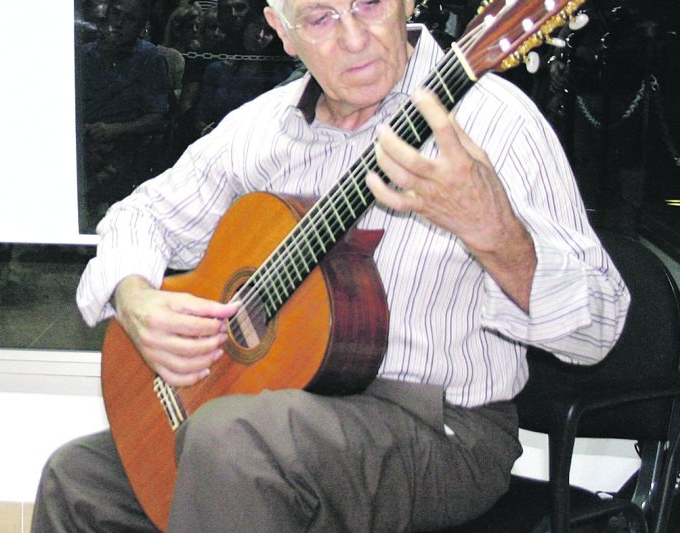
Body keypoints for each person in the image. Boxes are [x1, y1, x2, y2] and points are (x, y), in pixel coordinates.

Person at [33, 0, 631, 530]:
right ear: (282, 32)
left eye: (370, 5)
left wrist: (494, 232)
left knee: (232, 444)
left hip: (441, 430)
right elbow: (141, 216)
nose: (353, 38)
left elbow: (597, 331)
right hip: (279, 408)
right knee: (77, 478)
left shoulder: (495, 123)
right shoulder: (261, 129)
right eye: (320, 17)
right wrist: (136, 297)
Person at [78, 0, 172, 232]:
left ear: (142, 27)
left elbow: (158, 118)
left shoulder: (149, 59)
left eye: (129, 19)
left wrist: (115, 129)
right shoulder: (82, 56)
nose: (118, 24)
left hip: (123, 150)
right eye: (116, 14)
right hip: (80, 143)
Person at [194, 11, 294, 135]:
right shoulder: (217, 70)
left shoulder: (282, 75)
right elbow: (201, 118)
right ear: (245, 26)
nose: (260, 35)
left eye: (268, 32)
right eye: (256, 26)